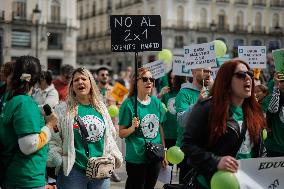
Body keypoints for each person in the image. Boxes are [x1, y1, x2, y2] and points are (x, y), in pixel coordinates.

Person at [181, 60, 266, 188]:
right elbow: (188, 145)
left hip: (245, 183)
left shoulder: (254, 111)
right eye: (241, 75)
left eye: (250, 74)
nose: (248, 78)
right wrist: (216, 161)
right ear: (226, 80)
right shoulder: (207, 108)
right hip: (212, 183)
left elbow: (259, 149)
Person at [47, 67, 122, 189]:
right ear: (72, 86)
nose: (80, 82)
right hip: (73, 172)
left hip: (100, 171)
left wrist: (111, 156)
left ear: (91, 83)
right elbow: (54, 138)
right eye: (76, 80)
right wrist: (60, 160)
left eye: (84, 79)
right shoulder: (62, 109)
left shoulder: (101, 108)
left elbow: (110, 135)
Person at [0, 56, 57, 189]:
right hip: (26, 178)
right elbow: (29, 145)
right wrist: (49, 125)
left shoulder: (10, 99)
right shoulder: (25, 103)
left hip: (14, 176)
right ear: (37, 79)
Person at [119, 67, 167, 189]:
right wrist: (132, 128)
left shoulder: (157, 103)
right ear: (136, 82)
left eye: (151, 79)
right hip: (136, 158)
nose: (149, 82)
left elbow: (160, 128)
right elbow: (121, 133)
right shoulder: (128, 104)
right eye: (145, 79)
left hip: (154, 155)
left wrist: (164, 153)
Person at [175, 68, 212, 183]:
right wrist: (198, 103)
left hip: (207, 151)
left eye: (210, 71)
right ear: (194, 72)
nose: (208, 74)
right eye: (205, 70)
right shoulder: (184, 93)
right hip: (188, 152)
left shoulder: (212, 92)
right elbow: (182, 121)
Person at [159, 70, 186, 149]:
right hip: (167, 134)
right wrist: (160, 95)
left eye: (174, 79)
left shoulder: (184, 93)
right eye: (170, 78)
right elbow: (157, 108)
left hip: (181, 135)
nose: (172, 81)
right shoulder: (166, 92)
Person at [265, 72, 284, 157]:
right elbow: (272, 109)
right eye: (282, 81)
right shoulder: (273, 87)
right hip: (274, 147)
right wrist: (276, 87)